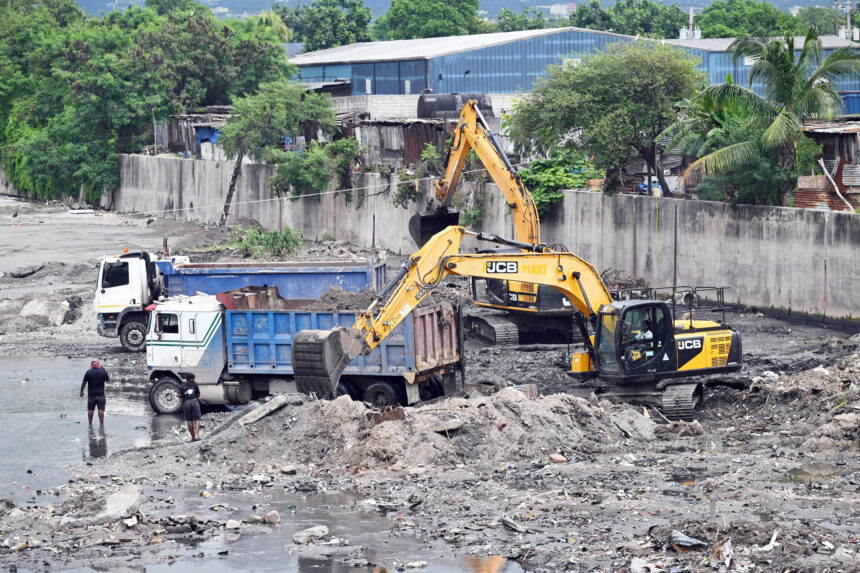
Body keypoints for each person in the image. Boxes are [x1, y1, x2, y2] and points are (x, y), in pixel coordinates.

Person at [80, 359, 109, 426]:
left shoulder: (88, 372)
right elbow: (107, 380)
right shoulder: (102, 372)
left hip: (91, 395)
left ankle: (90, 424)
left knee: (90, 409)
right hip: (101, 394)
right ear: (98, 364)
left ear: (91, 364)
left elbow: (84, 383)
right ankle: (101, 424)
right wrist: (104, 371)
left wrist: (81, 391)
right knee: (101, 409)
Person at [180, 373, 202, 441]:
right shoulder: (195, 384)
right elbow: (198, 395)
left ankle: (192, 437)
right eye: (193, 378)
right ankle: (197, 436)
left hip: (186, 403)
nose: (194, 379)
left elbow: (179, 395)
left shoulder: (182, 385)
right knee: (197, 419)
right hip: (194, 401)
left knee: (189, 420)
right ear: (191, 379)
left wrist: (184, 395)